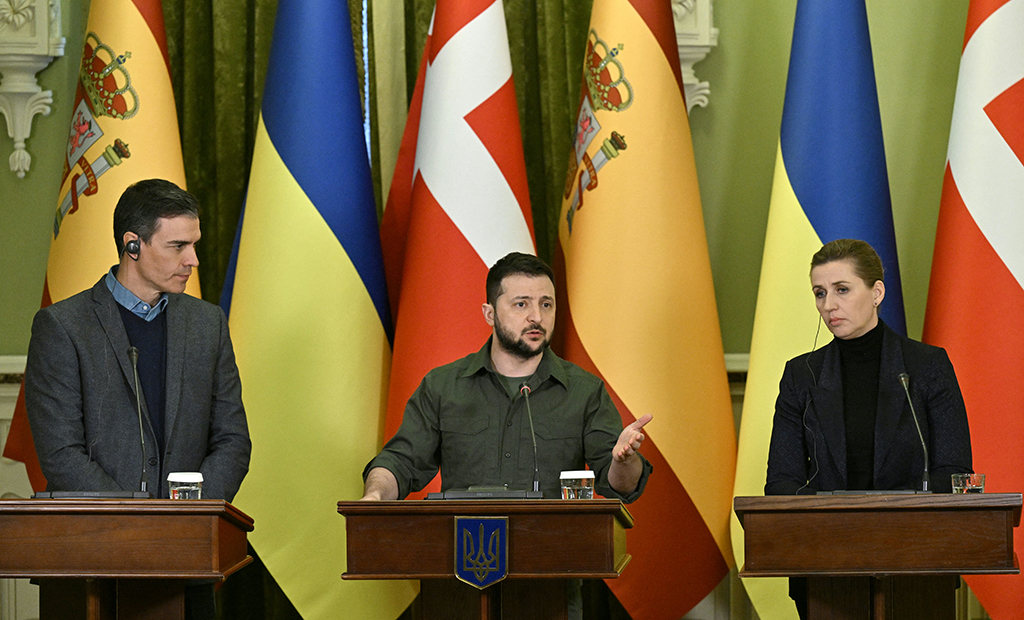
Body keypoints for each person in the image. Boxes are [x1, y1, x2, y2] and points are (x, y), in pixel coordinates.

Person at [24, 179, 251, 619]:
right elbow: (60, 455)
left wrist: (186, 519)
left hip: (188, 563)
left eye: (194, 245)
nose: (193, 261)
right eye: (177, 246)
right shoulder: (63, 327)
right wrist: (143, 527)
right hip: (91, 563)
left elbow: (232, 440)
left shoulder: (207, 325)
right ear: (132, 245)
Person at [764, 238, 972, 618]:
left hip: (919, 562)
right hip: (826, 566)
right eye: (819, 293)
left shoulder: (926, 366)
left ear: (876, 292)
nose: (829, 305)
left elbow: (954, 471)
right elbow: (781, 481)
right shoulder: (801, 376)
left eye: (842, 290)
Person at [361, 251, 653, 502]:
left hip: (552, 556)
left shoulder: (585, 391)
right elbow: (401, 462)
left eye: (546, 304)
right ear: (490, 314)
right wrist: (374, 495)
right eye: (521, 304)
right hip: (464, 558)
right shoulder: (442, 387)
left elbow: (621, 485)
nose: (536, 317)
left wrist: (623, 460)